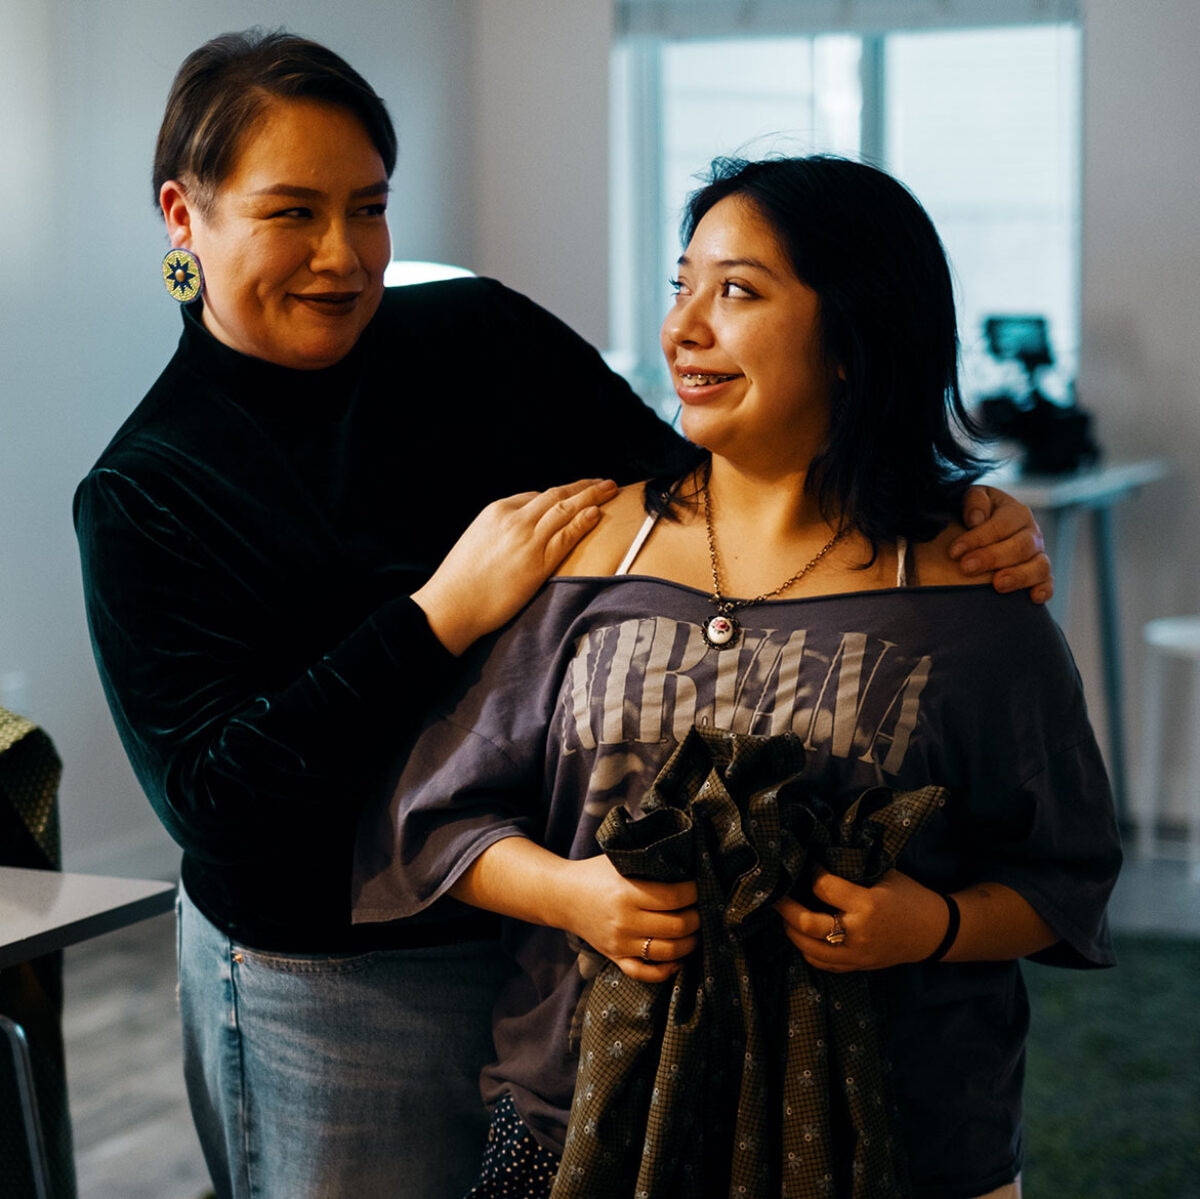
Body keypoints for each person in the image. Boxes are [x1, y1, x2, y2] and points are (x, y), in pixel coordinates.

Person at [73, 28, 1052, 1199]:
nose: (343, 255)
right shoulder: (144, 490)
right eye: (293, 213)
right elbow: (222, 806)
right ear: (185, 217)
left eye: (370, 208)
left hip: (543, 942)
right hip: (333, 978)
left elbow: (699, 496)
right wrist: (437, 614)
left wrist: (937, 514)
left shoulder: (475, 338)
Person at [352, 155, 1120, 1199]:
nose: (684, 328)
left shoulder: (972, 595)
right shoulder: (588, 551)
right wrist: (578, 894)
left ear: (854, 332)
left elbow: (1064, 874)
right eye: (682, 285)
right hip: (577, 1125)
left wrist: (929, 924)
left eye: (738, 290)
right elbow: (433, 822)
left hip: (897, 1146)